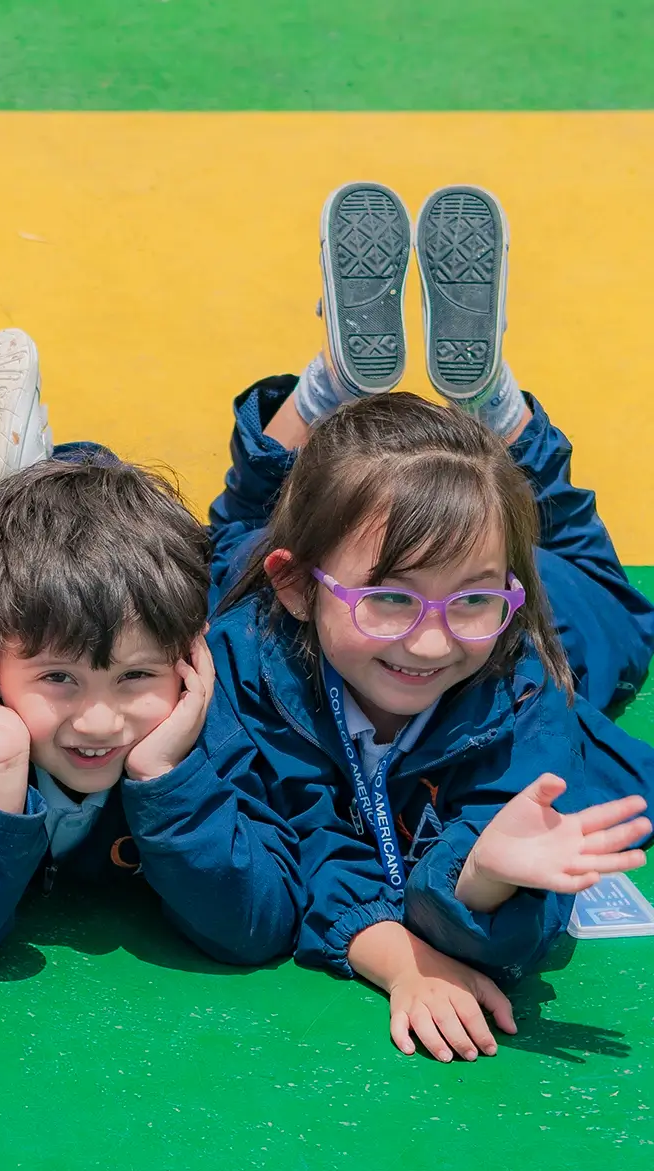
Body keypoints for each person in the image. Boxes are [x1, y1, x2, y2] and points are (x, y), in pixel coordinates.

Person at [210, 181, 654, 1062]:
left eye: (472, 603)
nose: (428, 640)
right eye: (390, 602)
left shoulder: (523, 674)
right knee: (223, 551)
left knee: (599, 590)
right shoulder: (247, 650)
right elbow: (305, 837)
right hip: (332, 580)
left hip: (549, 607)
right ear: (296, 589)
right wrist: (398, 957)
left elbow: (502, 886)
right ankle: (356, 382)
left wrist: (483, 880)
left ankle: (481, 397)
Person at [0, 454, 302, 972]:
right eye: (59, 678)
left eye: (135, 677)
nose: (99, 722)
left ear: (188, 658)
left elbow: (257, 928)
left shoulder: (207, 729)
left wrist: (165, 779)